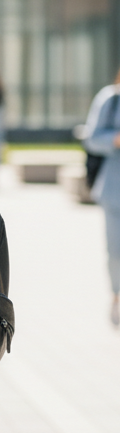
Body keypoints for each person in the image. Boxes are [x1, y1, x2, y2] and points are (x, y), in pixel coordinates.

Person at [83, 71, 120, 328]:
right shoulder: (110, 99)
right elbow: (91, 138)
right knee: (116, 251)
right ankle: (117, 295)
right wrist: (115, 139)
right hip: (114, 190)